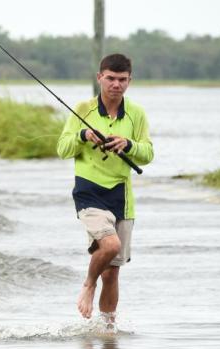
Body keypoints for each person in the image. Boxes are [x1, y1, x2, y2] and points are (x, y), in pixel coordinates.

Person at [57, 54, 154, 328]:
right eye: (110, 78)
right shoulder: (83, 109)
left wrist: (128, 144)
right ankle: (88, 284)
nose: (116, 84)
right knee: (110, 245)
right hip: (89, 191)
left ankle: (107, 331)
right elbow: (62, 149)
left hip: (121, 196)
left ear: (130, 81)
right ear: (100, 77)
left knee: (112, 274)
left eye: (122, 79)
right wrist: (83, 136)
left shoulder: (136, 113)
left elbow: (148, 153)